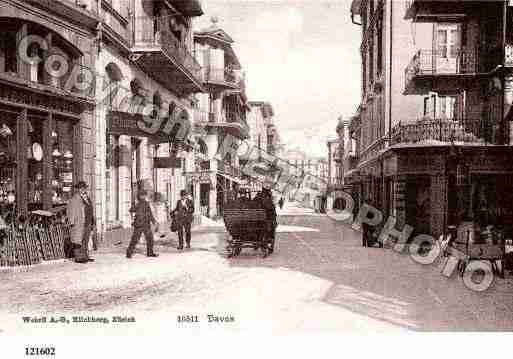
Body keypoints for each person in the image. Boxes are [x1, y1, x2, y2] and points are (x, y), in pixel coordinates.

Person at [67, 181, 95, 263]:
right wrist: (71, 222)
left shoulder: (87, 198)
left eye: (84, 188)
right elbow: (70, 211)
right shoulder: (74, 199)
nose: (83, 189)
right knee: (78, 240)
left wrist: (92, 221)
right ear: (78, 189)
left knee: (85, 240)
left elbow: (90, 208)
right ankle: (78, 257)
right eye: (81, 188)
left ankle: (85, 256)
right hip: (79, 222)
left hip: (87, 222)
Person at [126, 190, 158, 258]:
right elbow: (131, 210)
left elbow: (149, 213)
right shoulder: (139, 203)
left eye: (144, 195)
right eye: (143, 195)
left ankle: (149, 252)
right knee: (135, 239)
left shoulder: (145, 203)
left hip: (145, 224)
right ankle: (129, 253)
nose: (144, 197)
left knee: (149, 238)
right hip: (140, 224)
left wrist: (153, 221)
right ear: (140, 196)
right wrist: (134, 205)